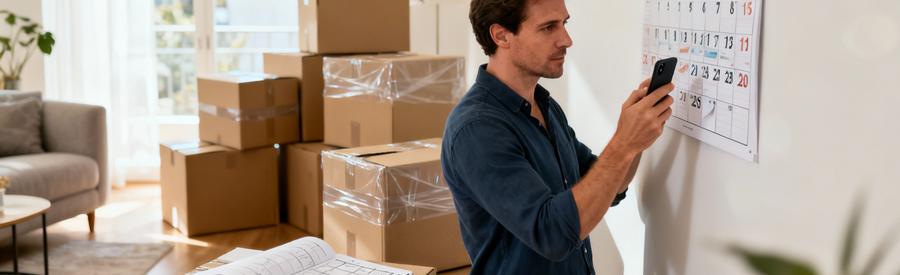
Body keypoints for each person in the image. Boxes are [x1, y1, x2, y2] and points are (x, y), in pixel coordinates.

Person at [440, 0, 675, 273]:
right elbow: (552, 234)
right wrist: (623, 143)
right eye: (548, 27)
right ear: (501, 35)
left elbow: (609, 185)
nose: (566, 40)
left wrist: (636, 139)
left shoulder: (545, 106)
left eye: (564, 24)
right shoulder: (477, 130)